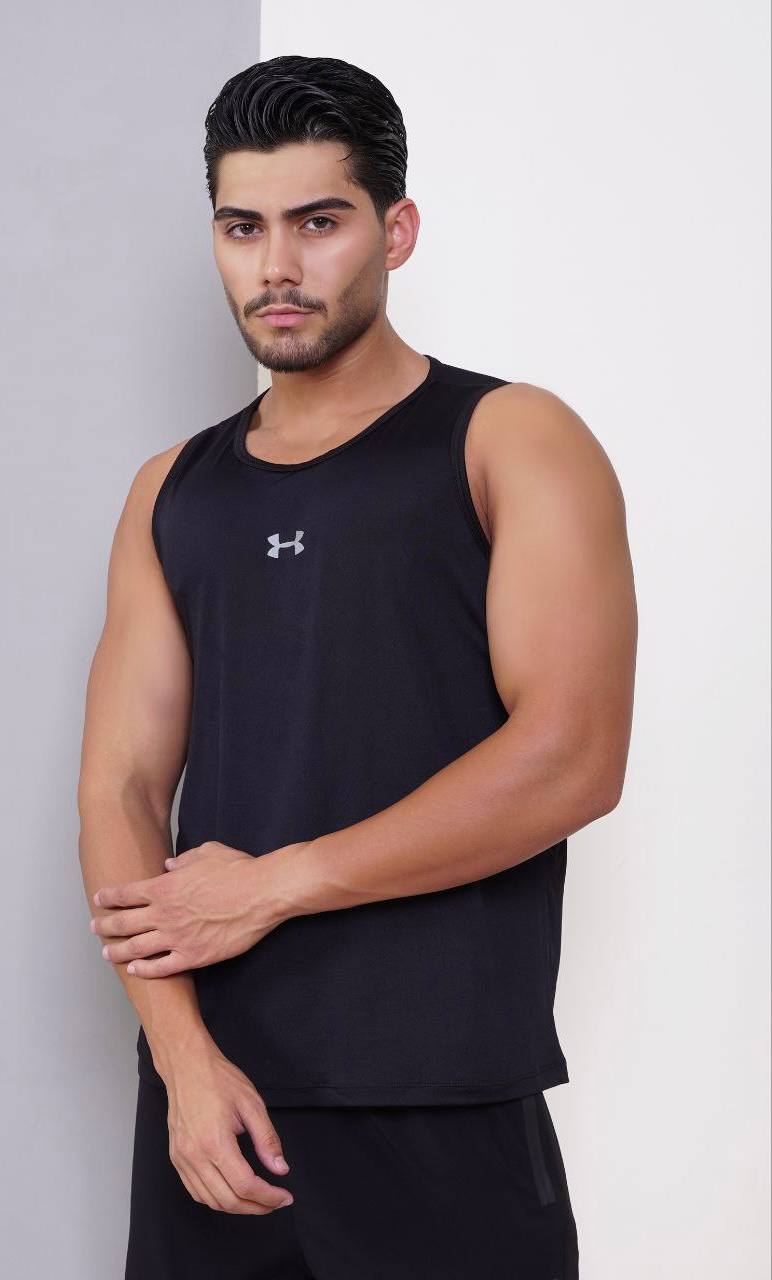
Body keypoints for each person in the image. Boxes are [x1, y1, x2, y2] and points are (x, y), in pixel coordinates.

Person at [77, 53, 637, 1280]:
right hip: (215, 1111)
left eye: (317, 222)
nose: (275, 266)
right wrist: (181, 1059)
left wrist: (275, 883)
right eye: (242, 227)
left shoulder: (507, 437)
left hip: (441, 1096)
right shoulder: (172, 489)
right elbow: (121, 785)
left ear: (395, 231)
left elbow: (573, 758)